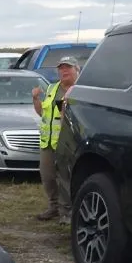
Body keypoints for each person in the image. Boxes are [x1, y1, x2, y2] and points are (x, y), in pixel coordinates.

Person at [32, 56, 79, 223]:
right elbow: (43, 113)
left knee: (66, 177)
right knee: (48, 176)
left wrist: (67, 107)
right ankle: (54, 207)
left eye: (68, 67)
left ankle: (66, 211)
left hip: (67, 142)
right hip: (48, 142)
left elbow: (72, 117)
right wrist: (36, 99)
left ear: (77, 70)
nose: (64, 71)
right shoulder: (52, 88)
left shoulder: (79, 90)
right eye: (61, 68)